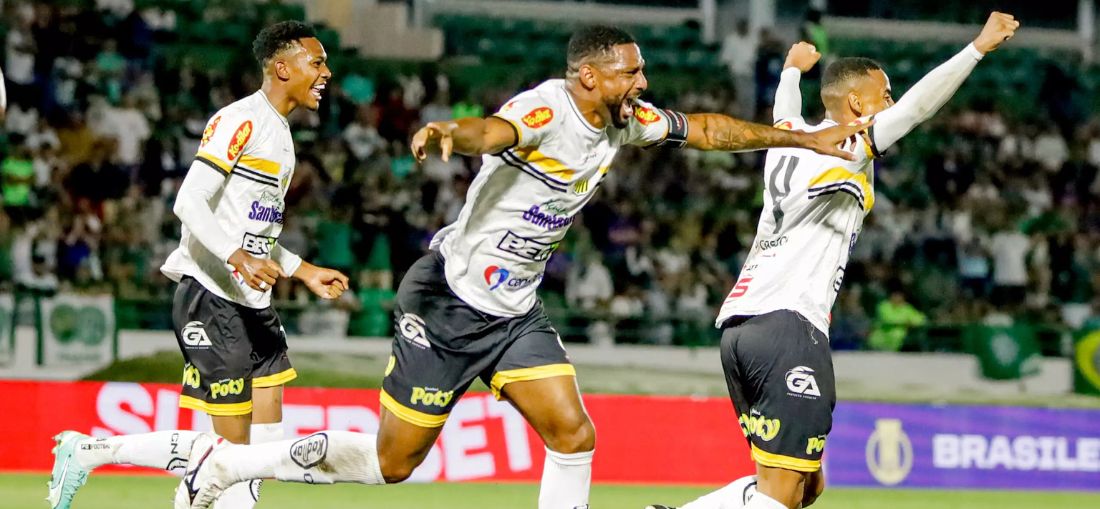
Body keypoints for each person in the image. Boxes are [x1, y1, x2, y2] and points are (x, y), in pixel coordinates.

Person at [171, 24, 869, 509]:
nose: (642, 82)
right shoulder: (547, 108)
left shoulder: (625, 120)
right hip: (448, 301)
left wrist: (799, 139)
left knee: (574, 434)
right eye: (630, 72)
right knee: (393, 463)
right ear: (589, 76)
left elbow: (707, 130)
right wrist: (454, 131)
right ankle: (233, 463)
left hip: (515, 314)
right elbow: (496, 131)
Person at [646, 12, 1019, 509]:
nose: (890, 104)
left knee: (806, 486)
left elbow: (784, 109)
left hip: (741, 329)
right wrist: (977, 48)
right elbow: (917, 108)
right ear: (857, 104)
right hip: (787, 324)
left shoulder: (788, 137)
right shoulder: (848, 145)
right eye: (884, 95)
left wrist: (791, 70)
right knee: (782, 492)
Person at [46, 21, 349, 509]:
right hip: (212, 296)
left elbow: (253, 232)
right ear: (281, 67)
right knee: (230, 459)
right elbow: (188, 202)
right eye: (316, 63)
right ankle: (166, 486)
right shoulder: (239, 120)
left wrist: (301, 269)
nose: (326, 73)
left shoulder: (281, 134)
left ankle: (88, 452)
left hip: (254, 303)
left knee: (263, 447)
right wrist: (235, 256)